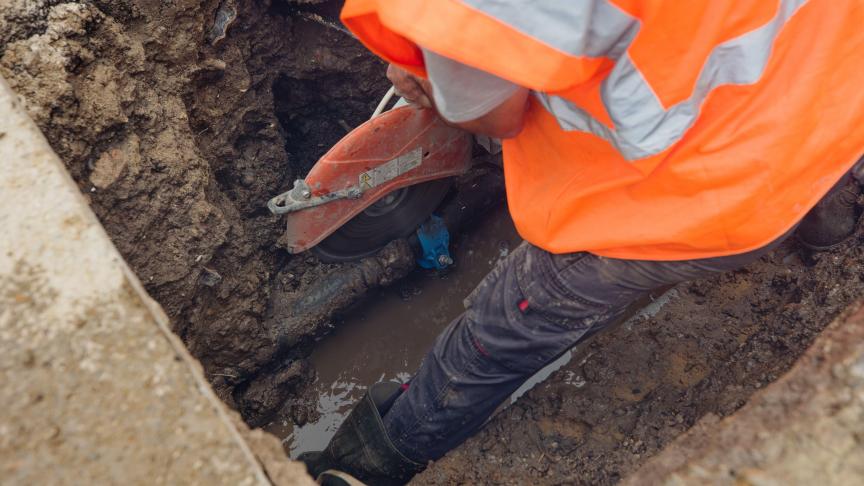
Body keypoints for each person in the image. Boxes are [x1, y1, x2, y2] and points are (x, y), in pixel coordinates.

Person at [301, 1, 864, 483]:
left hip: (691, 202)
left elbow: (494, 116)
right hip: (829, 102)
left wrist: (430, 80)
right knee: (812, 145)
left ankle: (364, 467)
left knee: (506, 325)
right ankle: (827, 221)